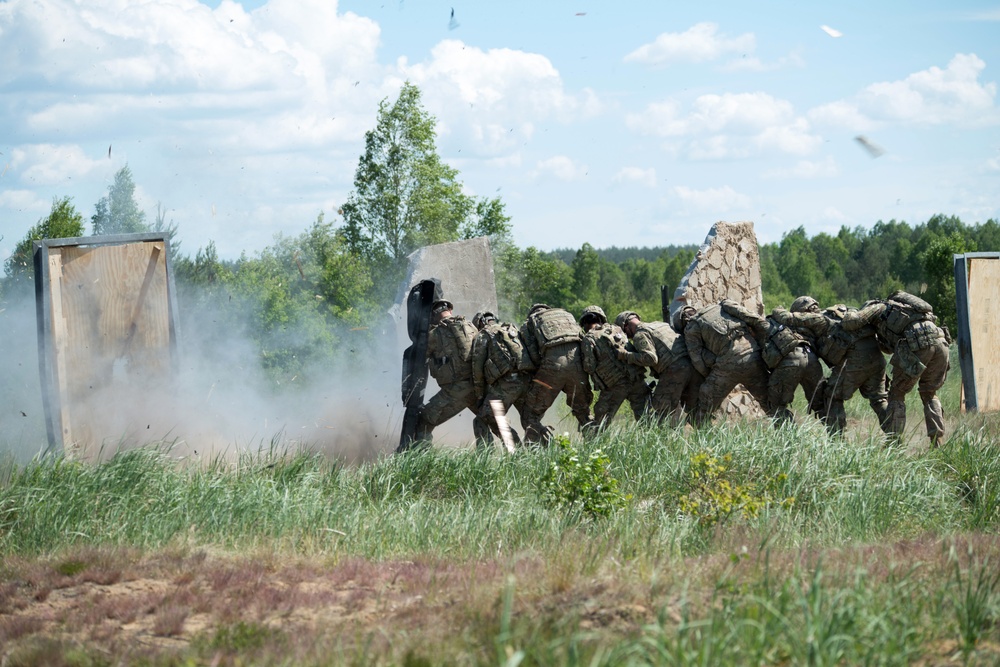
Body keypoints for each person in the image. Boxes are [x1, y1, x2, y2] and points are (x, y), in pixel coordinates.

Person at [841, 291, 950, 445]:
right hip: (941, 342)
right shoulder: (906, 311)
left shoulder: (877, 307)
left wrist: (851, 311)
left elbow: (852, 322)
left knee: (897, 394)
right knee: (929, 394)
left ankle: (894, 442)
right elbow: (889, 348)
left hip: (918, 343)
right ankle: (937, 443)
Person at [771, 296, 889, 436]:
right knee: (879, 399)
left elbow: (787, 318)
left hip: (854, 360)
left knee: (831, 397)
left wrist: (776, 310)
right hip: (877, 358)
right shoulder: (840, 314)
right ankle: (895, 437)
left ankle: (837, 439)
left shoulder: (818, 319)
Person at [720, 299, 824, 426]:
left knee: (775, 406)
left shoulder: (770, 324)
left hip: (790, 360)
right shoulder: (813, 327)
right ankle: (837, 436)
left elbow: (748, 315)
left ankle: (789, 438)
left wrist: (727, 304)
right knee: (823, 404)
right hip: (812, 360)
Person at [676, 302, 770, 427]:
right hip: (754, 355)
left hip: (727, 366)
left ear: (683, 323)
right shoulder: (720, 307)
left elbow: (697, 361)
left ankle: (707, 441)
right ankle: (789, 432)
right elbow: (751, 318)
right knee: (771, 403)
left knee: (703, 407)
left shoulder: (691, 328)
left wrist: (711, 375)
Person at [415, 299, 491, 445]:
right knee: (488, 422)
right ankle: (493, 457)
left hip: (456, 391)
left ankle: (420, 459)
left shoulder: (435, 334)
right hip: (479, 387)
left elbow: (419, 357)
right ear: (449, 310)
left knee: (424, 421)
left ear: (434, 315)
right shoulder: (470, 326)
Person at [519, 303, 594, 444]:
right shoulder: (567, 316)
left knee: (530, 415)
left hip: (552, 368)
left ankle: (539, 448)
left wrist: (541, 375)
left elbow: (533, 355)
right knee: (583, 412)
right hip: (578, 367)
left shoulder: (530, 322)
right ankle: (597, 445)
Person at [615, 310, 701, 426]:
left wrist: (625, 355)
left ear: (626, 325)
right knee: (696, 409)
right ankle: (707, 436)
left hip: (674, 371)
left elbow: (650, 358)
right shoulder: (660, 324)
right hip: (693, 367)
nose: (628, 336)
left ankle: (665, 441)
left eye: (626, 332)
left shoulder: (640, 334)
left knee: (660, 411)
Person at [578, 306, 649, 432]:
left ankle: (594, 449)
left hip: (615, 385)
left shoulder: (589, 339)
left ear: (584, 324)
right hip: (636, 379)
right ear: (602, 319)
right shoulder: (617, 329)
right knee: (647, 419)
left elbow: (589, 367)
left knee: (600, 425)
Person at [469, 311, 535, 446]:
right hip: (526, 381)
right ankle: (544, 451)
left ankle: (512, 450)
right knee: (531, 420)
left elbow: (477, 369)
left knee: (483, 419)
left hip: (507, 384)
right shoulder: (512, 330)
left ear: (481, 323)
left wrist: (480, 395)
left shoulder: (483, 335)